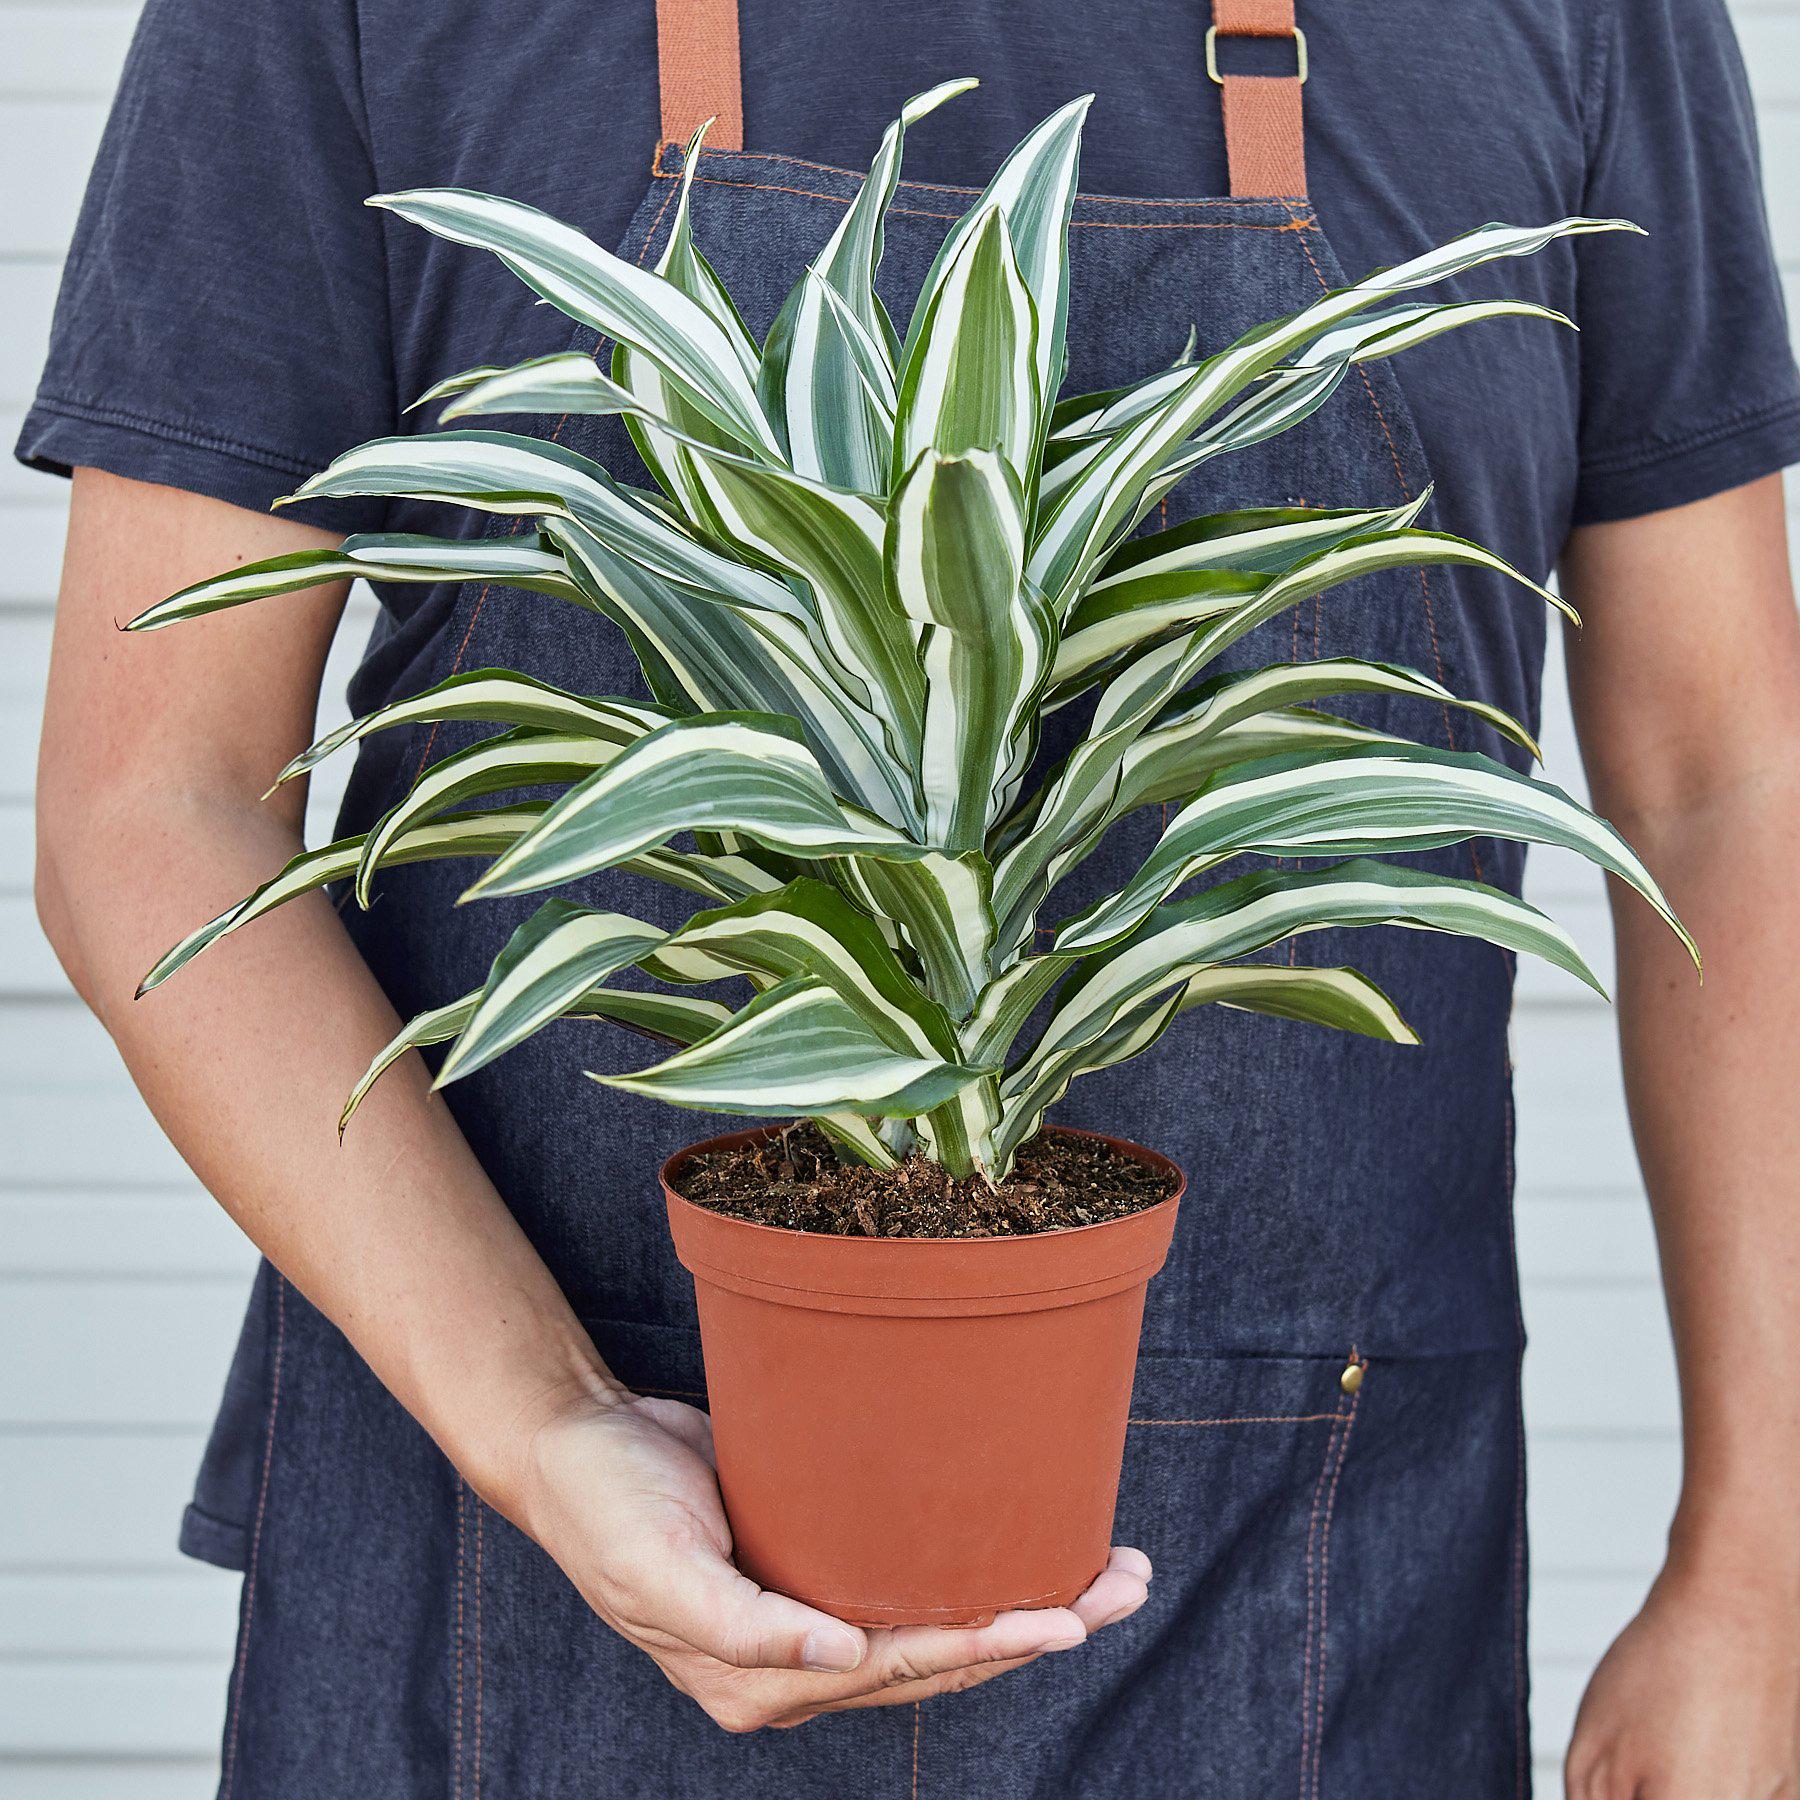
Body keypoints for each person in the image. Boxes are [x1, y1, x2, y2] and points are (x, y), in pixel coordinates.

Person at [23, 0, 1800, 1792]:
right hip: (532, 1563)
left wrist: (1761, 1571)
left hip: (1304, 1585)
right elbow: (152, 801)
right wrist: (543, 1418)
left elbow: (1732, 782)